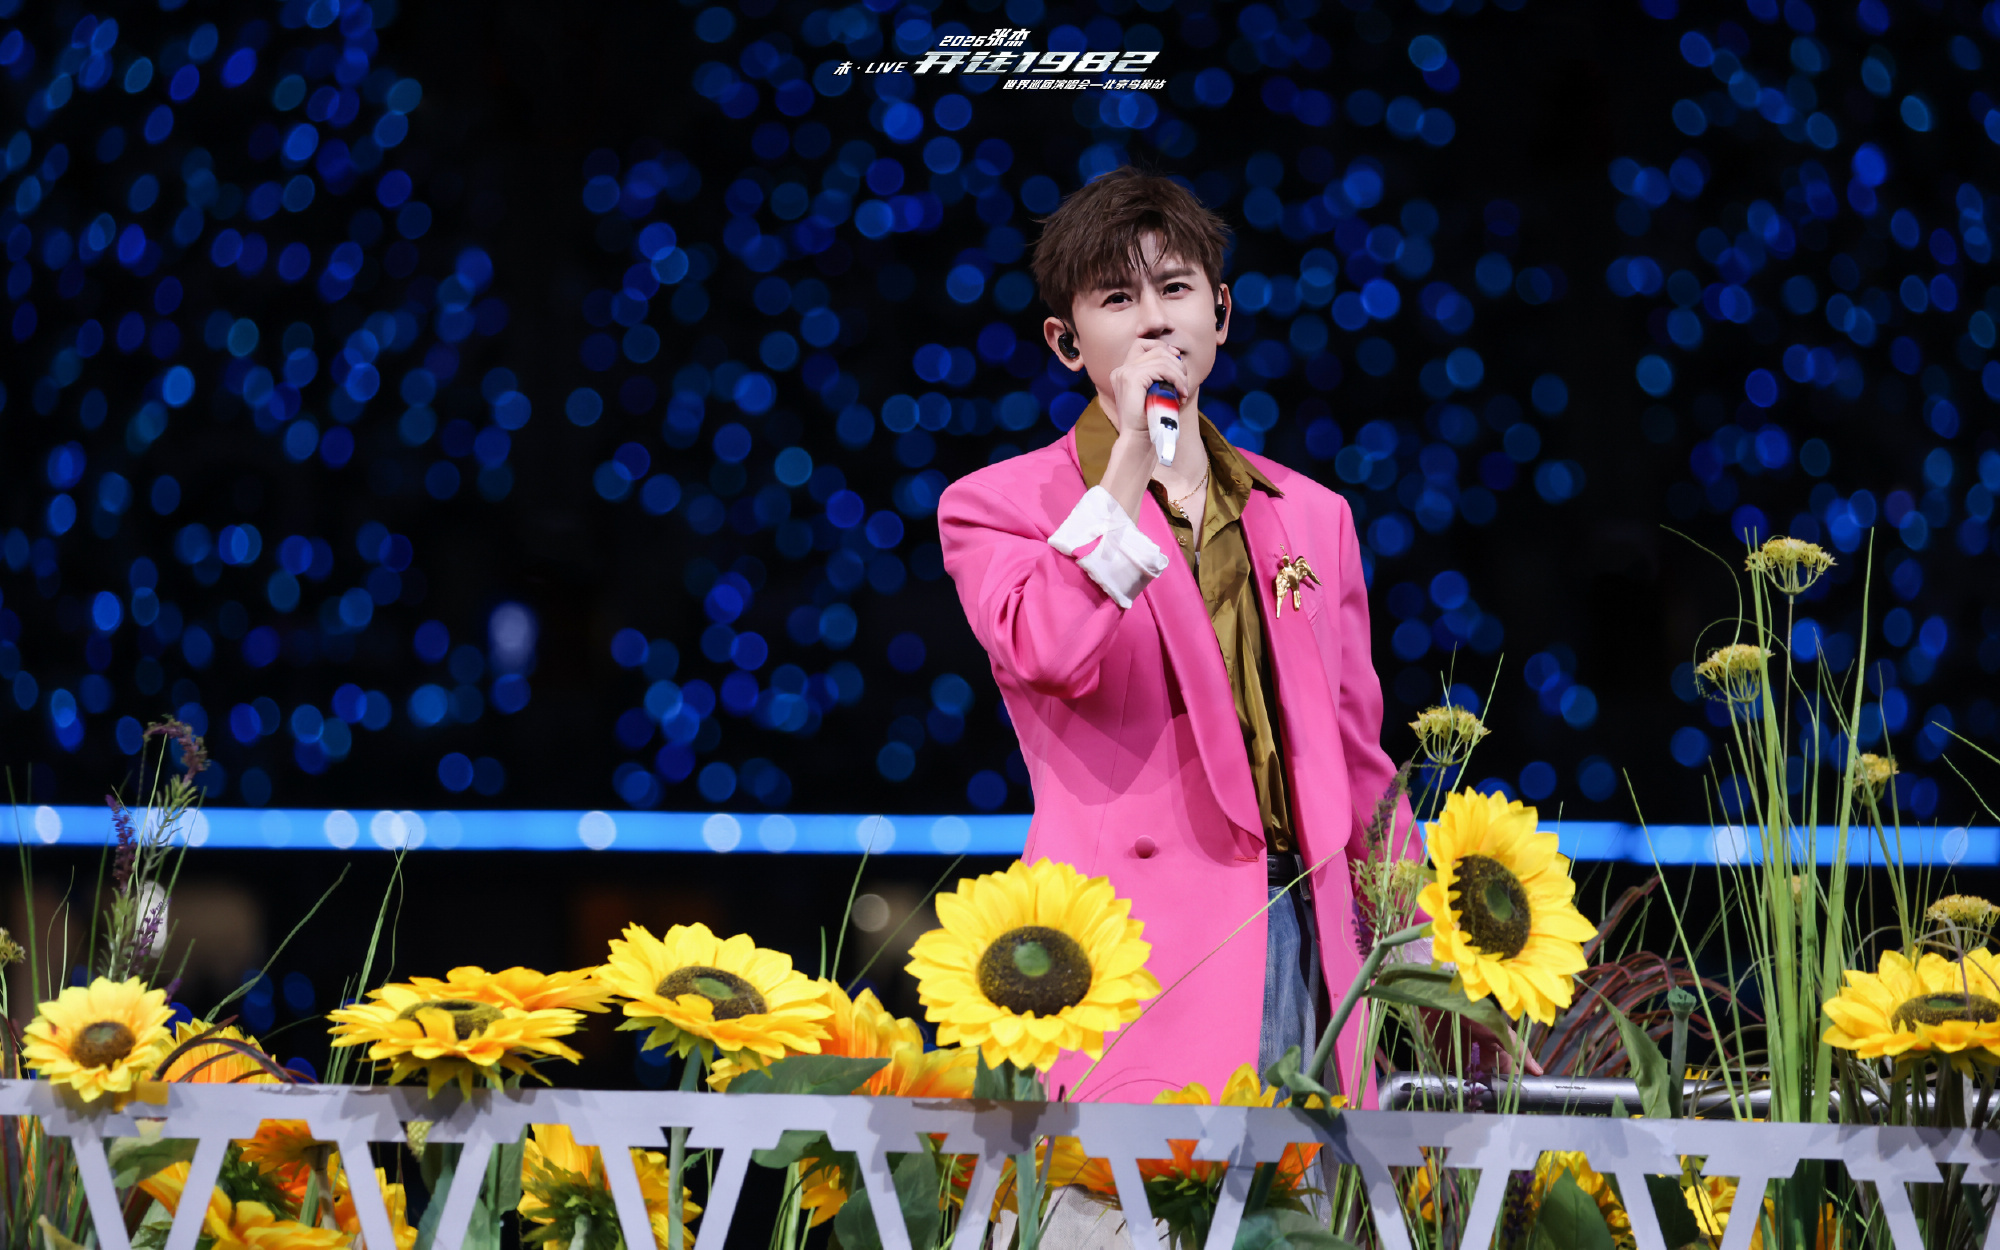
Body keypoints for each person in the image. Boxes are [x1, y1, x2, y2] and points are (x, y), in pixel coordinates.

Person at [937, 167, 1421, 1106]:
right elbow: (1049, 649)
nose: (1155, 320)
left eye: (1175, 288)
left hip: (1308, 945)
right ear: (1067, 342)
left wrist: (1440, 977)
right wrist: (1129, 460)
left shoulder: (1312, 515)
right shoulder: (998, 506)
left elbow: (1359, 765)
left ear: (1220, 313)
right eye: (1118, 298)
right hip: (1129, 953)